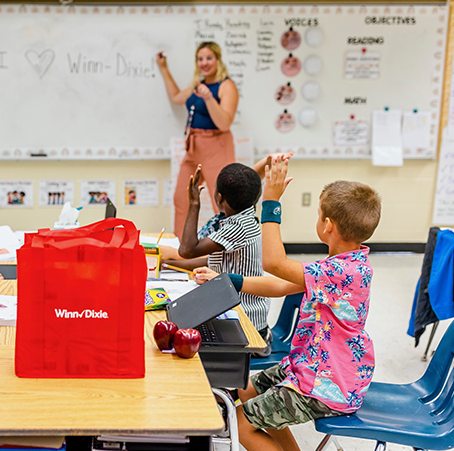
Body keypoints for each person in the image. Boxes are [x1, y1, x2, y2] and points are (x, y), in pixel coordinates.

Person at [194, 156, 381, 451]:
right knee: (245, 388)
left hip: (325, 383)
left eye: (319, 214)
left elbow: (274, 263)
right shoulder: (347, 265)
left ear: (327, 225)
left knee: (238, 424)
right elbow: (280, 285)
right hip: (312, 365)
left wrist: (271, 201)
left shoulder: (337, 273)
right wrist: (225, 279)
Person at [165, 162, 271, 346]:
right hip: (238, 316)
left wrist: (194, 203)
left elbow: (187, 250)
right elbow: (210, 259)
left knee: (175, 325)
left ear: (219, 198)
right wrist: (166, 264)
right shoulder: (242, 219)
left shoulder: (238, 227)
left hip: (247, 326)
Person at [157, 42, 239, 239]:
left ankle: (228, 248)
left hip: (216, 146)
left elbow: (224, 123)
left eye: (209, 58)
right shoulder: (198, 85)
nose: (204, 63)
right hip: (194, 148)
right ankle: (180, 247)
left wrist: (209, 98)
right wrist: (164, 68)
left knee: (221, 201)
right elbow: (177, 97)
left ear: (218, 60)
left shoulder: (226, 86)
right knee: (181, 198)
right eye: (200, 59)